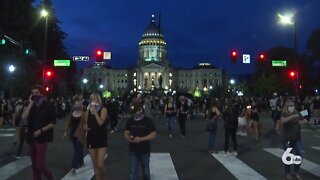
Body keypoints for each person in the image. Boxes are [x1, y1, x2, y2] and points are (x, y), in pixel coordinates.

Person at [21, 85, 56, 180]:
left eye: (37, 93)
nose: (35, 95)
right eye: (33, 93)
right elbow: (23, 117)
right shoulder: (31, 105)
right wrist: (30, 104)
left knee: (39, 164)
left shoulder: (48, 105)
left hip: (42, 138)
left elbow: (53, 123)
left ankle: (50, 176)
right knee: (34, 166)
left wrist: (41, 130)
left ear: (41, 93)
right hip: (31, 137)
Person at [124, 103, 156, 180]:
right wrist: (129, 139)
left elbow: (153, 134)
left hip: (144, 150)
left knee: (145, 171)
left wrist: (141, 139)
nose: (135, 114)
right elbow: (126, 132)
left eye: (136, 111)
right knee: (133, 171)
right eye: (134, 112)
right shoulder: (130, 120)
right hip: (133, 149)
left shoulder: (148, 120)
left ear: (141, 110)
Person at [280, 99, 308, 180]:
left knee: (300, 154)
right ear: (287, 107)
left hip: (297, 138)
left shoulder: (298, 112)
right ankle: (288, 173)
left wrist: (299, 122)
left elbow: (306, 120)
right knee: (288, 157)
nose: (292, 107)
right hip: (287, 139)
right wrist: (292, 116)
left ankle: (296, 172)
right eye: (290, 106)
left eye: (293, 105)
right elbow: (283, 121)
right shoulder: (284, 113)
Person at [84, 93, 108, 180]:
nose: (93, 100)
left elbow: (100, 122)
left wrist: (95, 112)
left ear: (98, 100)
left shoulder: (103, 109)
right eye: (91, 99)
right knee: (95, 165)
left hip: (101, 138)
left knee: (100, 164)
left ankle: (103, 178)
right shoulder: (88, 111)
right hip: (91, 138)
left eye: (95, 98)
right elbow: (85, 123)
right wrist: (85, 127)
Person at [63, 99, 86, 174]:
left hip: (80, 133)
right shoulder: (72, 112)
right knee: (77, 149)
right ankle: (81, 161)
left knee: (78, 149)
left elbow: (86, 124)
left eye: (78, 104)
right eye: (75, 104)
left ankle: (74, 166)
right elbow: (68, 122)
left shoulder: (84, 114)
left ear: (80, 105)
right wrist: (65, 132)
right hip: (73, 133)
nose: (77, 105)